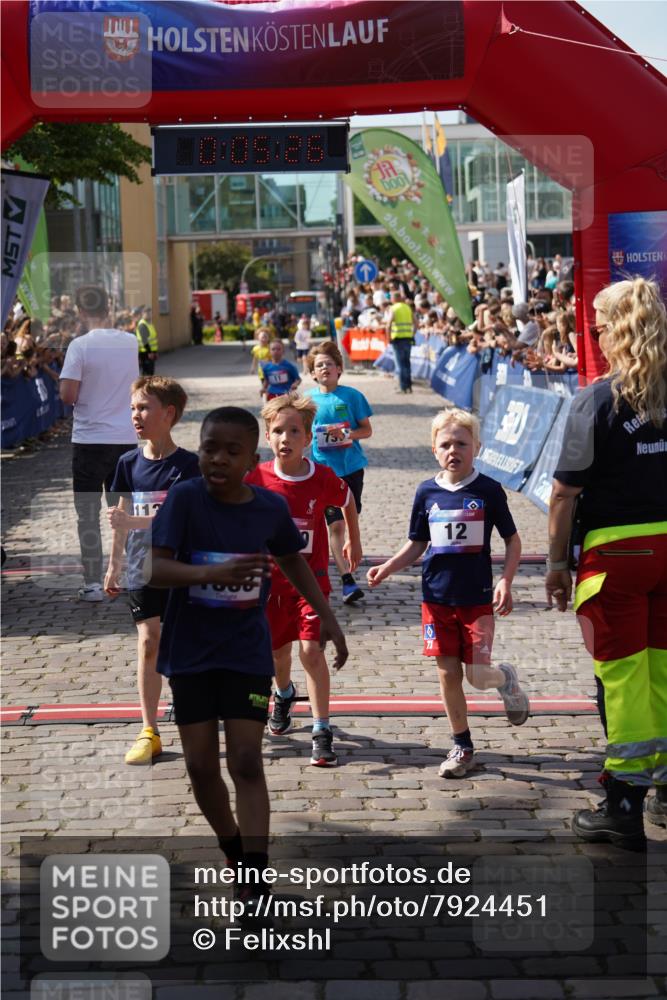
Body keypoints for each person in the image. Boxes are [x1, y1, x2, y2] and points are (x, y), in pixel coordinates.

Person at [148, 406, 348, 912]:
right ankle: (234, 848)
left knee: (245, 760)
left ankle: (255, 878)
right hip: (191, 653)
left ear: (250, 459)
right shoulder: (184, 498)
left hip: (246, 652)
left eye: (231, 451)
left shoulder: (268, 507)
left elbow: (292, 559)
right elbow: (154, 568)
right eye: (209, 448)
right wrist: (209, 574)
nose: (217, 458)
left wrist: (327, 615)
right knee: (200, 767)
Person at [546, 277, 667, 848]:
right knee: (663, 673)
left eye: (597, 328)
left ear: (616, 332)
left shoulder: (596, 400)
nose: (592, 337)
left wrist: (555, 564)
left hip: (617, 556)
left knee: (622, 680)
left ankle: (622, 805)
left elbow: (564, 492)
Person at [367, 408, 529, 777]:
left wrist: (505, 580)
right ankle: (462, 745)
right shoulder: (426, 491)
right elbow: (417, 543)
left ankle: (504, 678)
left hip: (477, 600)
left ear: (477, 448)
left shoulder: (488, 491)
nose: (453, 450)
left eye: (461, 443)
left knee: (477, 676)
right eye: (445, 444)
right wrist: (388, 567)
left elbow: (513, 540)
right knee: (447, 674)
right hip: (436, 599)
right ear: (434, 450)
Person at [246, 394, 362, 767]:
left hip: (311, 584)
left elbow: (347, 500)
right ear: (268, 436)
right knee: (277, 655)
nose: (286, 438)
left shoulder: (322, 478)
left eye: (294, 431)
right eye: (278, 431)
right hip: (270, 587)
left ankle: (321, 729)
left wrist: (354, 541)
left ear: (308, 438)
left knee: (311, 651)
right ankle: (283, 694)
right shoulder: (256, 478)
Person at [103, 376, 200, 764]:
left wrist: (137, 522)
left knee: (184, 646)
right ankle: (149, 730)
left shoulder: (189, 466)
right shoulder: (127, 464)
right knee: (148, 641)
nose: (135, 415)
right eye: (132, 408)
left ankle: (196, 718)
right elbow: (120, 520)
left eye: (144, 408)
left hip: (180, 569)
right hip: (141, 568)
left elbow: (189, 523)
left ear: (168, 414)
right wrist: (114, 564)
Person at [59, 285, 139, 601]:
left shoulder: (79, 346)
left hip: (90, 440)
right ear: (108, 307)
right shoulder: (130, 342)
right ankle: (133, 574)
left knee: (88, 514)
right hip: (125, 438)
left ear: (80, 312)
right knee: (124, 511)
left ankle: (93, 583)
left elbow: (68, 395)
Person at [305, 340, 372, 605]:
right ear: (313, 372)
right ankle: (347, 580)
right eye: (319, 365)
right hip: (324, 471)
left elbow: (367, 430)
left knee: (349, 519)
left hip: (352, 468)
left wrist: (346, 434)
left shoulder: (352, 396)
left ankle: (349, 548)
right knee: (336, 525)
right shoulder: (307, 401)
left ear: (339, 369)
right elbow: (300, 431)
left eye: (329, 364)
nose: (324, 368)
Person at [387, 290, 416, 394]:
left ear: (394, 298)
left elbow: (388, 324)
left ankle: (403, 387)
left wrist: (388, 337)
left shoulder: (394, 308)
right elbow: (416, 323)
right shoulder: (408, 307)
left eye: (391, 297)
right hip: (408, 339)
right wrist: (412, 334)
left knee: (400, 364)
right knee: (407, 363)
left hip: (398, 339)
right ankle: (409, 386)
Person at [135, 306, 159, 376]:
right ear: (142, 314)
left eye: (150, 313)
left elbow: (153, 339)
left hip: (151, 352)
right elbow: (144, 340)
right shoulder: (142, 325)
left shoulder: (149, 324)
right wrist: (149, 352)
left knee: (150, 373)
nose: (149, 315)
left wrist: (155, 352)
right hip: (145, 353)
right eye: (147, 313)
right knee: (147, 374)